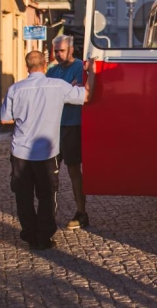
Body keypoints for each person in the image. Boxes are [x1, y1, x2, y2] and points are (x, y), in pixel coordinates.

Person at [0, 51, 90, 250]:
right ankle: (44, 237)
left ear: (26, 67)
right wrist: (90, 72)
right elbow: (86, 96)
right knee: (47, 196)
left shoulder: (16, 89)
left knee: (23, 196)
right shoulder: (58, 86)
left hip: (21, 152)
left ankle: (30, 235)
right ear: (45, 65)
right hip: (46, 152)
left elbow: (5, 119)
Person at [46, 34, 89, 230]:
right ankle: (48, 214)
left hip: (72, 125)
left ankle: (81, 212)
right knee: (49, 172)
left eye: (61, 50)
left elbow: (79, 95)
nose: (58, 54)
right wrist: (66, 90)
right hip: (52, 127)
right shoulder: (52, 71)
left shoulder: (80, 67)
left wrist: (64, 93)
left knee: (73, 171)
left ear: (71, 50)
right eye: (55, 51)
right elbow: (47, 95)